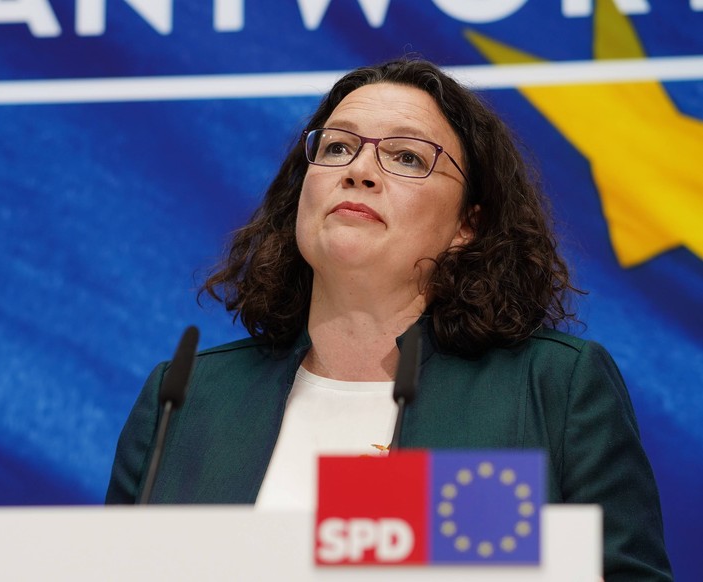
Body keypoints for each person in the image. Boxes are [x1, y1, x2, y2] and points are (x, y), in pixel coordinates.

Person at [105, 58, 672, 581]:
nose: (360, 171)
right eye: (336, 149)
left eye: (406, 157)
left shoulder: (553, 388)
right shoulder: (185, 398)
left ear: (466, 226)